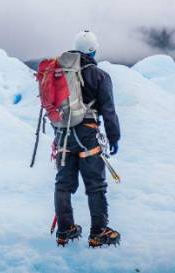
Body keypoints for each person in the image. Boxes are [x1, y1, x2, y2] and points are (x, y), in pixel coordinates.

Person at [54, 30, 121, 247]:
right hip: (87, 135)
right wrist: (114, 137)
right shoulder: (99, 76)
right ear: (92, 50)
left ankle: (65, 230)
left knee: (63, 184)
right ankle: (98, 232)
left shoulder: (59, 72)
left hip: (63, 135)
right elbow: (108, 110)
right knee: (95, 185)